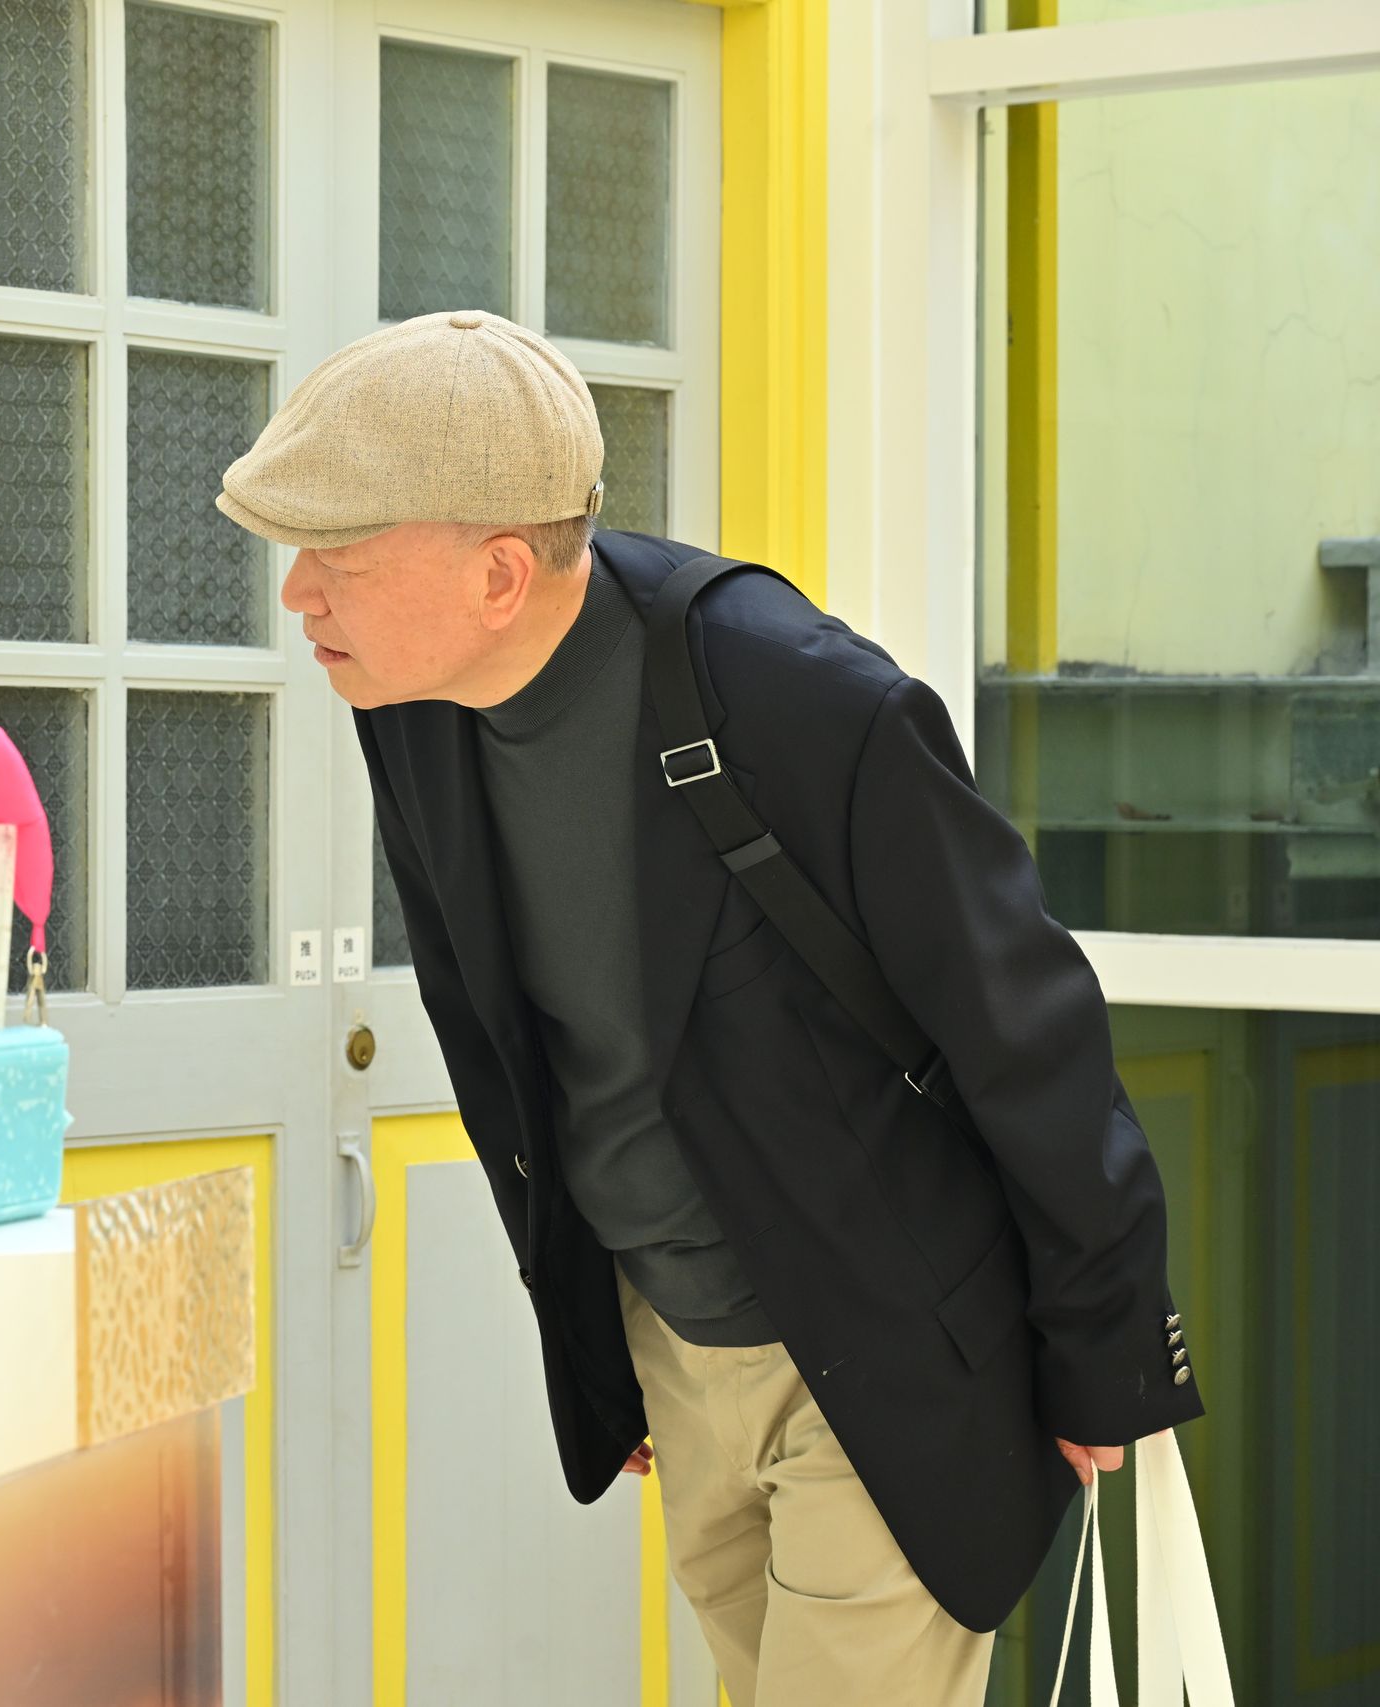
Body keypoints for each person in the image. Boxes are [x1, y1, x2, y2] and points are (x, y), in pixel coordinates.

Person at [215, 310, 1203, 1707]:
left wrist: (1109, 1345)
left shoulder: (794, 696)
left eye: (341, 558)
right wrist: (598, 1350)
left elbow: (1023, 1020)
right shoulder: (412, 708)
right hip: (673, 1348)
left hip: (890, 1350)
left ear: (500, 573)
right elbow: (506, 1047)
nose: (298, 595)